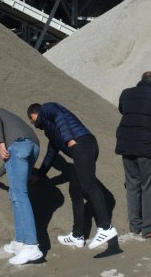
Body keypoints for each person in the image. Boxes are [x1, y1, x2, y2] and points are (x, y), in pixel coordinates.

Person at [27, 102, 117, 250]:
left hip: (83, 144)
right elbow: (51, 153)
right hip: (81, 149)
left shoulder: (47, 109)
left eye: (32, 121)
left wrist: (68, 138)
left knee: (89, 185)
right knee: (75, 191)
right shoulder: (51, 131)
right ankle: (77, 235)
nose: (33, 124)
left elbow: (59, 115)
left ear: (34, 114)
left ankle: (106, 228)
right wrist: (40, 176)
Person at [0, 107, 43, 265]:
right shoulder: (12, 122)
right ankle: (20, 242)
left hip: (20, 146)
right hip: (33, 146)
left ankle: (31, 246)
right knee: (15, 194)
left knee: (19, 195)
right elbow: (13, 156)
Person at [116, 71, 151, 239]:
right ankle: (149, 228)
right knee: (149, 187)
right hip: (149, 146)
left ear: (140, 81)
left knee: (132, 186)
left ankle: (135, 226)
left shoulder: (126, 94)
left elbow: (123, 109)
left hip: (127, 146)